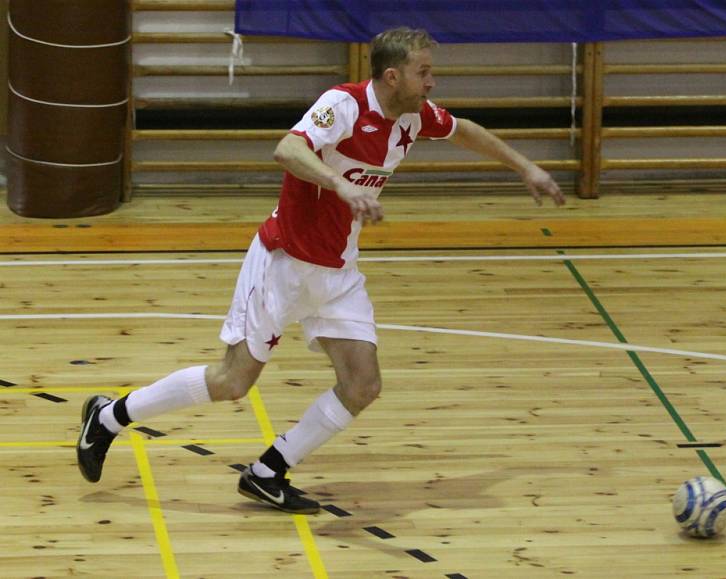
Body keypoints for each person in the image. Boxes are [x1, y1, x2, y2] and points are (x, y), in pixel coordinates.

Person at [76, 26, 565, 515]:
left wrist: (525, 167)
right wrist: (341, 184)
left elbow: (464, 130)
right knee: (232, 382)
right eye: (424, 72)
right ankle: (110, 416)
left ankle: (268, 471)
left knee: (363, 385)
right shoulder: (344, 105)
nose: (432, 82)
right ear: (393, 76)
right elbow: (288, 149)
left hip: (337, 271)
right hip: (283, 261)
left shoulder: (413, 118)